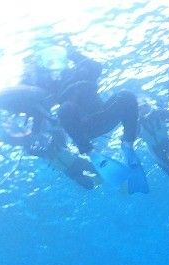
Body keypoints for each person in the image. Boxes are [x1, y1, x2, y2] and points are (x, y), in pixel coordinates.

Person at [23, 42, 148, 194]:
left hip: (103, 116)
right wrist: (35, 129)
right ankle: (91, 153)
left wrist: (72, 52)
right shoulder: (53, 86)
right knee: (65, 109)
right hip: (83, 128)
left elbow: (96, 66)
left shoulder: (82, 70)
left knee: (125, 96)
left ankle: (128, 142)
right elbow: (37, 100)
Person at [0, 99, 100, 190]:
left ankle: (103, 177)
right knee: (90, 181)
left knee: (94, 172)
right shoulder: (45, 151)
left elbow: (57, 136)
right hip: (68, 166)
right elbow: (37, 150)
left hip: (70, 163)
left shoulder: (51, 147)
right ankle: (101, 179)